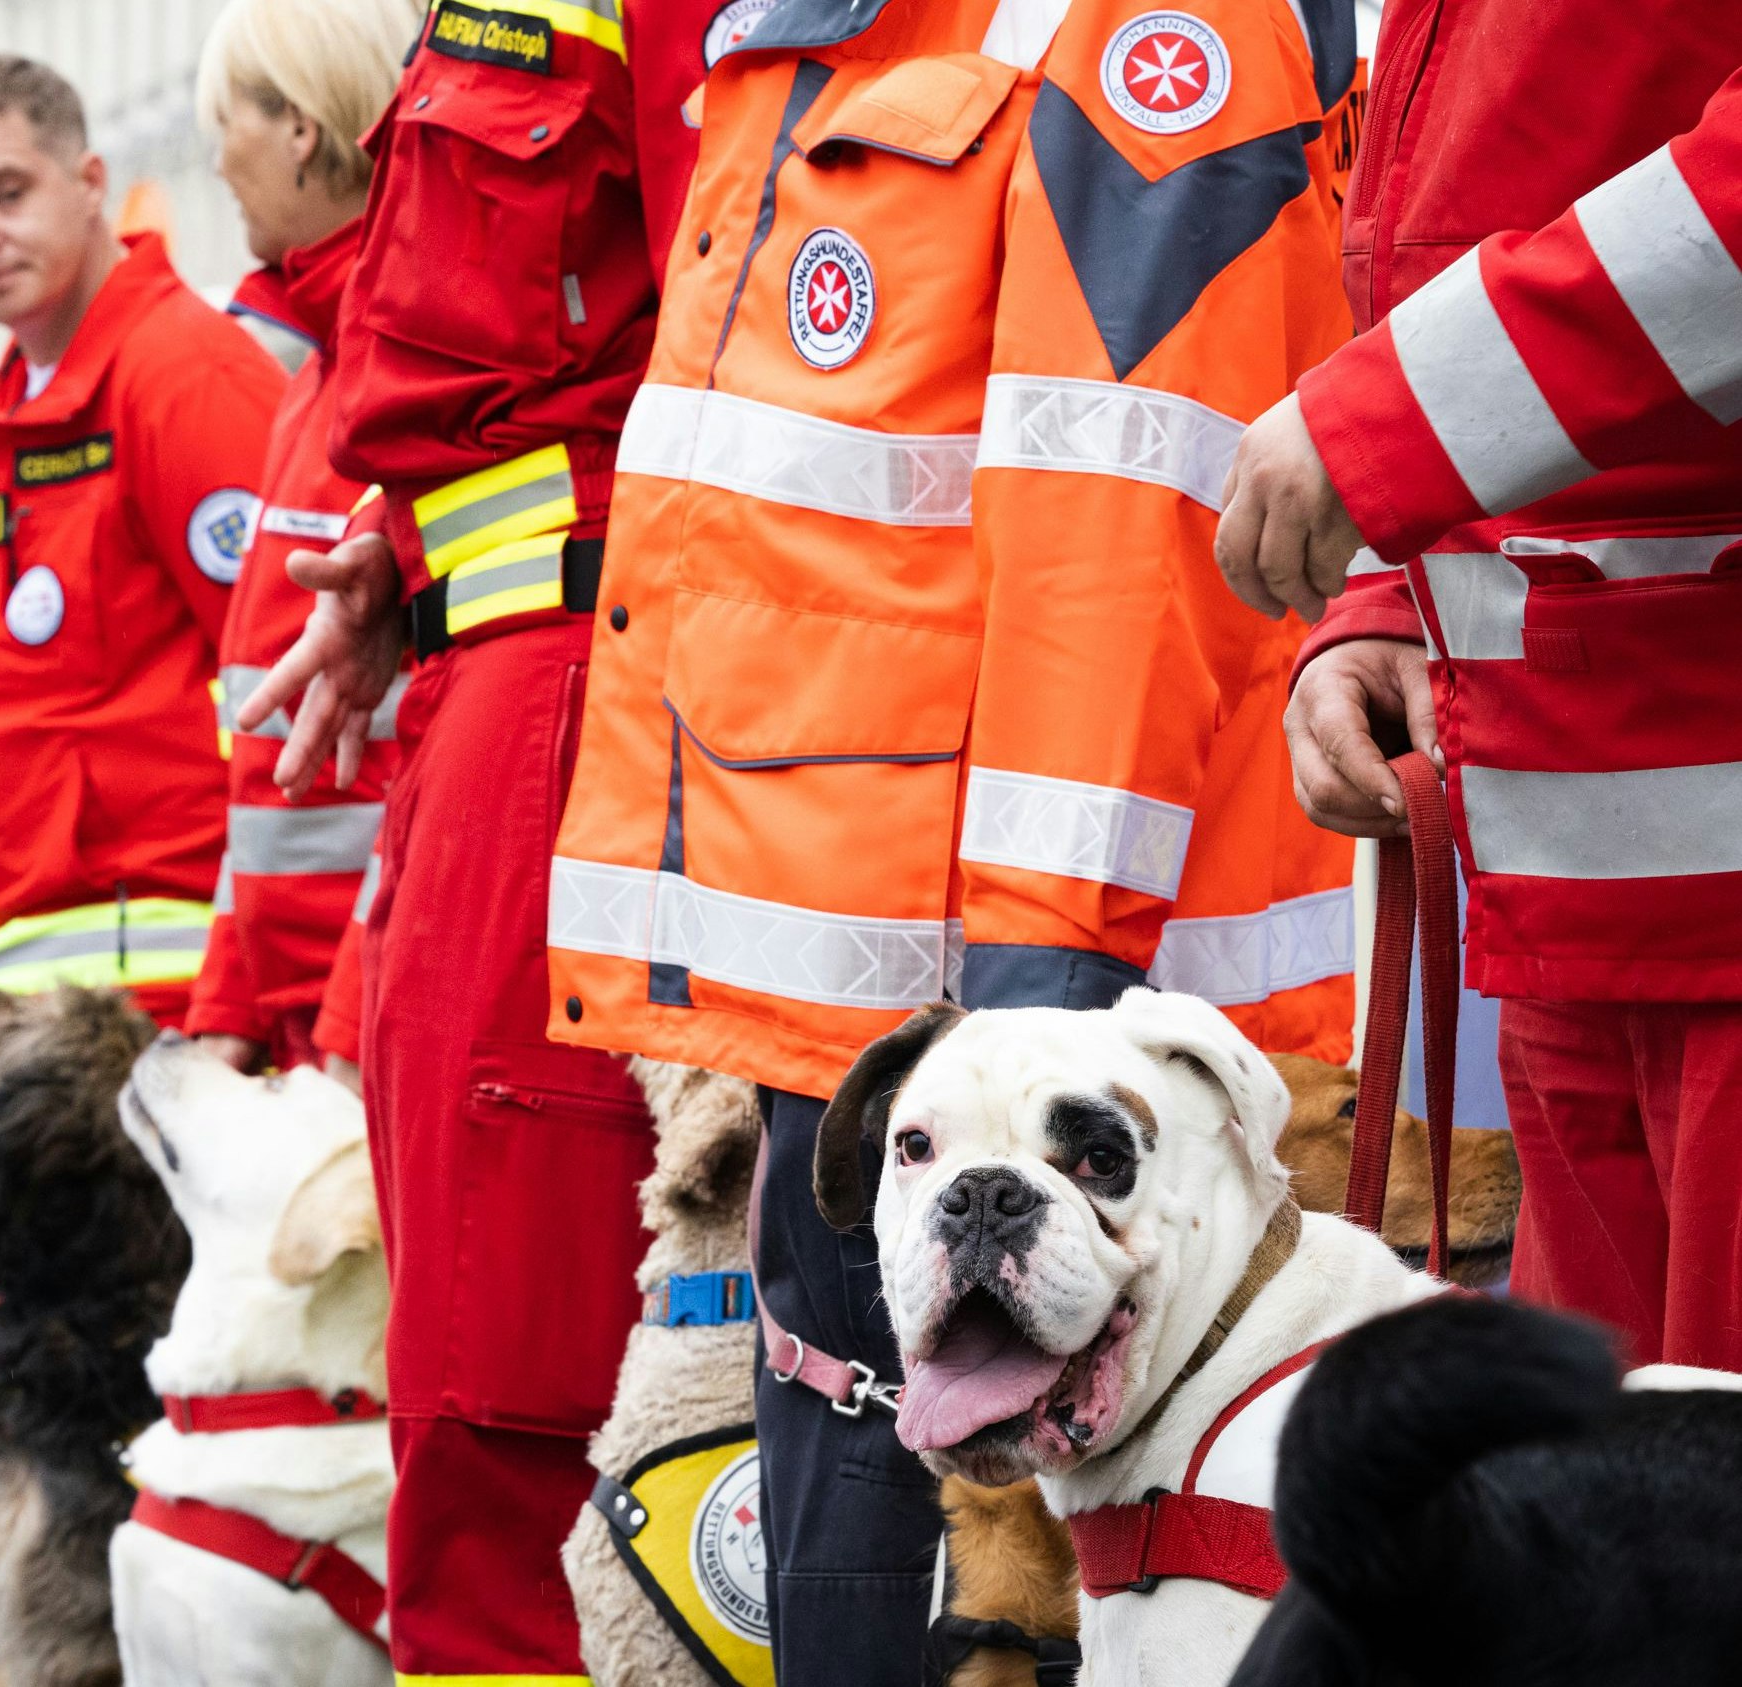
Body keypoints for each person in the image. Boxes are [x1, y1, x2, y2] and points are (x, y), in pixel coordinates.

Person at [449, 2, 1356, 1682]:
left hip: (1011, 1036)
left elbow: (1123, 552)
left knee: (970, 1598)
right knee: (851, 1579)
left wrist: (1021, 1031)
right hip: (837, 1013)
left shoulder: (1141, 29)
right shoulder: (816, 36)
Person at [229, 0, 710, 1673]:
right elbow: (533, 342)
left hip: (592, 690)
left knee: (522, 1386)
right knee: (465, 1359)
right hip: (495, 675)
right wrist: (405, 544)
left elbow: (762, 321)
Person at [1218, 29, 1742, 1369]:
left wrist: (1387, 429)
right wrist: (1397, 588)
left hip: (1687, 909)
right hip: (1584, 909)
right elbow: (1480, 202)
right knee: (1606, 1543)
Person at [0, 54, 282, 1374]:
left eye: (6, 192)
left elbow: (287, 676)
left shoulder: (176, 374)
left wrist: (254, 989)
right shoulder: (11, 410)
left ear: (92, 179)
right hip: (38, 1026)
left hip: (154, 1020)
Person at [179, 0, 415, 1080]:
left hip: (370, 1021)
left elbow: (430, 741)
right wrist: (231, 996)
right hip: (303, 1022)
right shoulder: (313, 369)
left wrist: (347, 1021)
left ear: (299, 129)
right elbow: (262, 751)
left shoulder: (403, 358)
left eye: (225, 119)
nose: (217, 158)